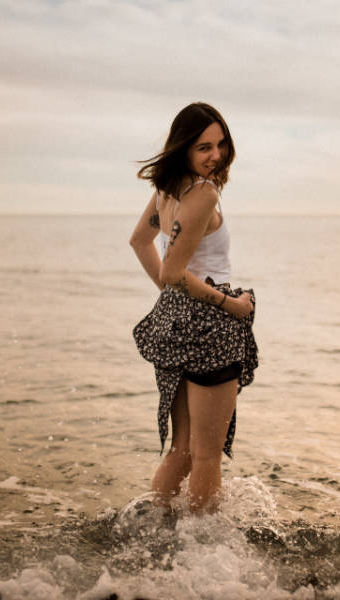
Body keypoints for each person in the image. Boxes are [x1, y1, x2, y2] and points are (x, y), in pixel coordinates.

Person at [130, 102, 259, 515]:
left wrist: (175, 301)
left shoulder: (168, 190)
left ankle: (157, 525)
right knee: (207, 455)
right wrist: (231, 305)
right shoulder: (202, 193)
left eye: (221, 145)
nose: (215, 155)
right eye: (204, 147)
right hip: (211, 328)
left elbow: (141, 245)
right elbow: (173, 270)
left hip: (178, 325)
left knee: (183, 449)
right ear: (183, 147)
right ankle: (202, 545)